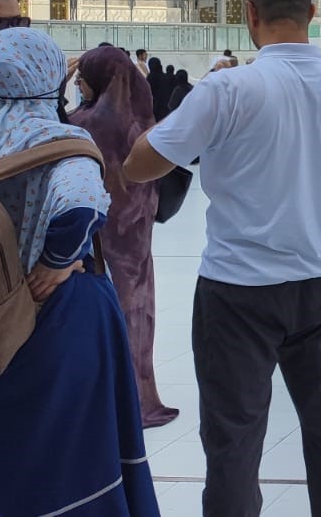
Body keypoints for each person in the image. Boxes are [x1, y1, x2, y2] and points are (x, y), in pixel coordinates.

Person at [125, 0, 321, 516]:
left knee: (234, 441)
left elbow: (140, 166)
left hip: (239, 288)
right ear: (313, 15)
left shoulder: (228, 87)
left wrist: (159, 120)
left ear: (250, 15)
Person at [0, 29, 159, 517]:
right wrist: (55, 263)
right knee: (61, 453)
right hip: (45, 317)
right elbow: (79, 206)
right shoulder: (56, 136)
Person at [66, 45, 179, 429]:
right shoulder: (141, 119)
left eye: (83, 77)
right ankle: (137, 396)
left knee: (99, 318)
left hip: (94, 240)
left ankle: (105, 399)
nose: (79, 83)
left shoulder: (84, 124)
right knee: (137, 312)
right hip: (135, 239)